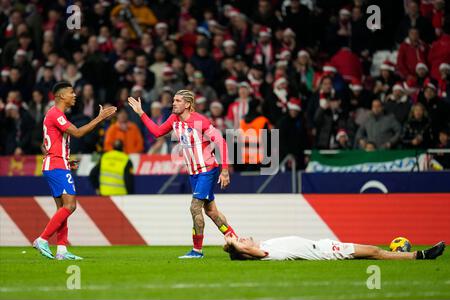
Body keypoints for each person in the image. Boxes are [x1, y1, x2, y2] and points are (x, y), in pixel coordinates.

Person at [127, 89, 237, 258]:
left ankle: (197, 250)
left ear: (187, 104)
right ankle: (235, 240)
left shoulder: (200, 121)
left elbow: (221, 142)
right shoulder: (174, 119)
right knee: (211, 211)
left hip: (207, 169)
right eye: (173, 100)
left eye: (178, 101)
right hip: (193, 173)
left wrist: (224, 171)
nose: (173, 103)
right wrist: (141, 113)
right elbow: (157, 132)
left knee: (194, 207)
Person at [34, 81, 116, 260]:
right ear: (61, 96)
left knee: (62, 209)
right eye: (71, 92)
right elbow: (78, 133)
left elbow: (44, 145)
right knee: (71, 205)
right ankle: (42, 239)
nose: (74, 95)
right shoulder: (56, 114)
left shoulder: (54, 115)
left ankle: (62, 250)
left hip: (56, 163)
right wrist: (100, 118)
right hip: (56, 166)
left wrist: (65, 159)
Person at [223, 234, 446, 261]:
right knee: (374, 251)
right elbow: (250, 251)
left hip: (324, 246)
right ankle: (421, 255)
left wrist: (233, 243)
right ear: (246, 252)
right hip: (327, 252)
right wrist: (233, 244)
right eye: (241, 242)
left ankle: (410, 255)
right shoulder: (264, 253)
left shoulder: (265, 245)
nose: (242, 238)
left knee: (373, 251)